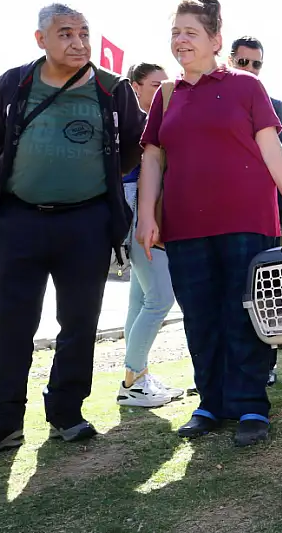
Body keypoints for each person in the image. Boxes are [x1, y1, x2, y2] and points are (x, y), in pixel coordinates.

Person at [0, 4, 145, 459]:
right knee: (7, 325)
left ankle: (66, 413)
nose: (78, 43)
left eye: (84, 33)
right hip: (18, 219)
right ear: (41, 39)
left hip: (86, 222)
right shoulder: (15, 82)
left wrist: (89, 183)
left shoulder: (111, 89)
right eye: (65, 34)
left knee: (79, 323)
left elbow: (133, 147)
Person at [136, 0, 282, 448]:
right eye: (175, 32)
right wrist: (146, 215)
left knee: (245, 312)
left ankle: (251, 403)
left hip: (247, 220)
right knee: (199, 315)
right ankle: (210, 402)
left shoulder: (246, 87)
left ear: (215, 39)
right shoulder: (166, 95)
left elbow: (274, 151)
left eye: (190, 32)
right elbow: (152, 157)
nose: (180, 40)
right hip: (185, 226)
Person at [116, 62, 184, 408]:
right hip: (137, 214)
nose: (163, 91)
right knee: (159, 299)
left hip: (138, 213)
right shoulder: (136, 124)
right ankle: (133, 380)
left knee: (140, 300)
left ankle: (136, 375)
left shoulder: (142, 121)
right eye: (155, 84)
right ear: (135, 86)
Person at [228, 36, 282, 243]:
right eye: (243, 62)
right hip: (221, 206)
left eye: (256, 64)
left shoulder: (273, 105)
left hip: (262, 210)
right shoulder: (213, 102)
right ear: (230, 61)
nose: (250, 68)